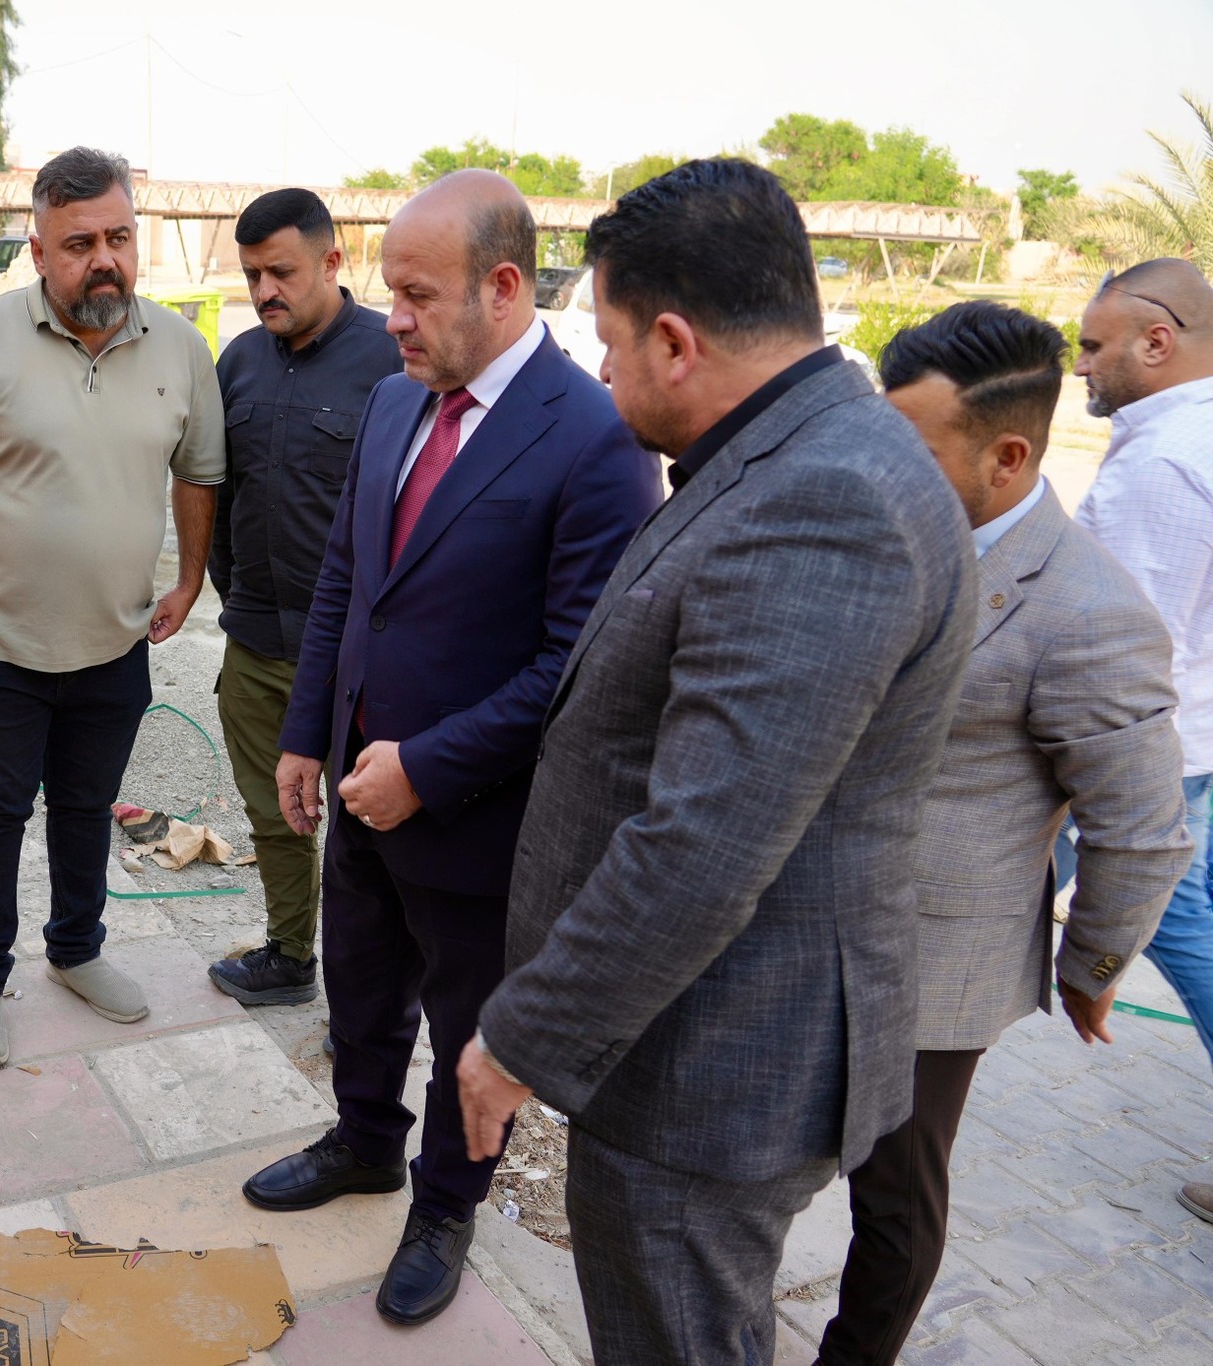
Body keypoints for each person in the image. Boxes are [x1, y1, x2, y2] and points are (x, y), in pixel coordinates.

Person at [460, 159, 974, 1363]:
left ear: (674, 342)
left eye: (608, 343)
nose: (600, 372)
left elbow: (702, 841)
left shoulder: (822, 499)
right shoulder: (796, 451)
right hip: (694, 1041)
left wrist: (519, 1038)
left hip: (708, 1070)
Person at [239, 170, 659, 1327]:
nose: (394, 320)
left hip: (479, 819)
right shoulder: (393, 402)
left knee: (465, 1026)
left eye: (418, 297)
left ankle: (443, 1204)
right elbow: (345, 583)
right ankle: (363, 1141)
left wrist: (425, 767)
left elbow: (575, 665)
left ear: (503, 287)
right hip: (358, 784)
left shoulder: (592, 439)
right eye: (390, 293)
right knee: (360, 983)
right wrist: (306, 733)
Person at [815, 301, 1191, 1363]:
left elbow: (1142, 827)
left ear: (1009, 456)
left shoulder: (1084, 609)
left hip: (935, 967)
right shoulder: (892, 530)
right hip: (806, 923)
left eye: (916, 451)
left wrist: (1088, 968)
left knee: (894, 1200)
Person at [0, 147, 225, 1070]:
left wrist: (189, 580)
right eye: (80, 244)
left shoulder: (181, 350)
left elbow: (198, 473)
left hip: (114, 638)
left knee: (86, 806)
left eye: (119, 237)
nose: (104, 260)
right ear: (39, 252)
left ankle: (76, 951)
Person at [205, 189, 402, 1007]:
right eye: (252, 275)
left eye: (280, 273)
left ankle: (367, 1000)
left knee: (366, 829)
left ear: (332, 261)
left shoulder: (393, 359)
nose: (264, 292)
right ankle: (289, 956)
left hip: (359, 658)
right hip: (256, 642)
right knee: (273, 813)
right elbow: (219, 499)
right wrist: (233, 595)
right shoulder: (239, 362)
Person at [1071, 263, 1213, 1147]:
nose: (1080, 365)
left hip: (1158, 752)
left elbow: (1128, 657)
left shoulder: (1163, 464)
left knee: (1176, 924)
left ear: (1157, 342)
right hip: (1194, 740)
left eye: (1093, 345)